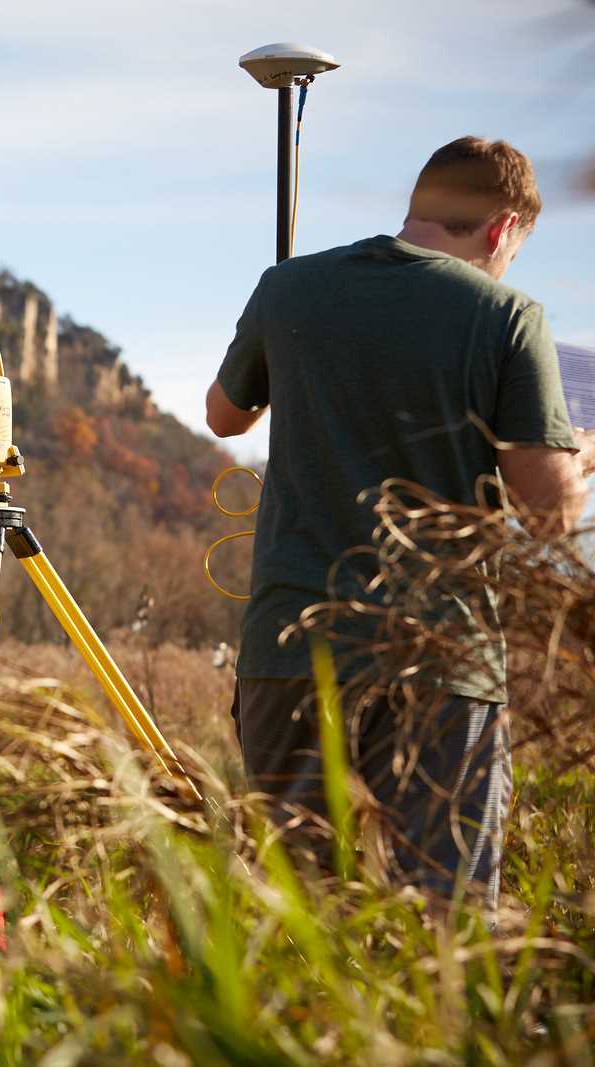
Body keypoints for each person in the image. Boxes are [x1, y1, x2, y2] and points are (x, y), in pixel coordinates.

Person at [205, 136, 593, 908]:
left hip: (289, 651)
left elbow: (224, 415)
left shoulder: (288, 287)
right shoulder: (508, 316)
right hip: (439, 660)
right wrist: (582, 450)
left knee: (296, 914)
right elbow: (548, 515)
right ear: (501, 228)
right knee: (440, 924)